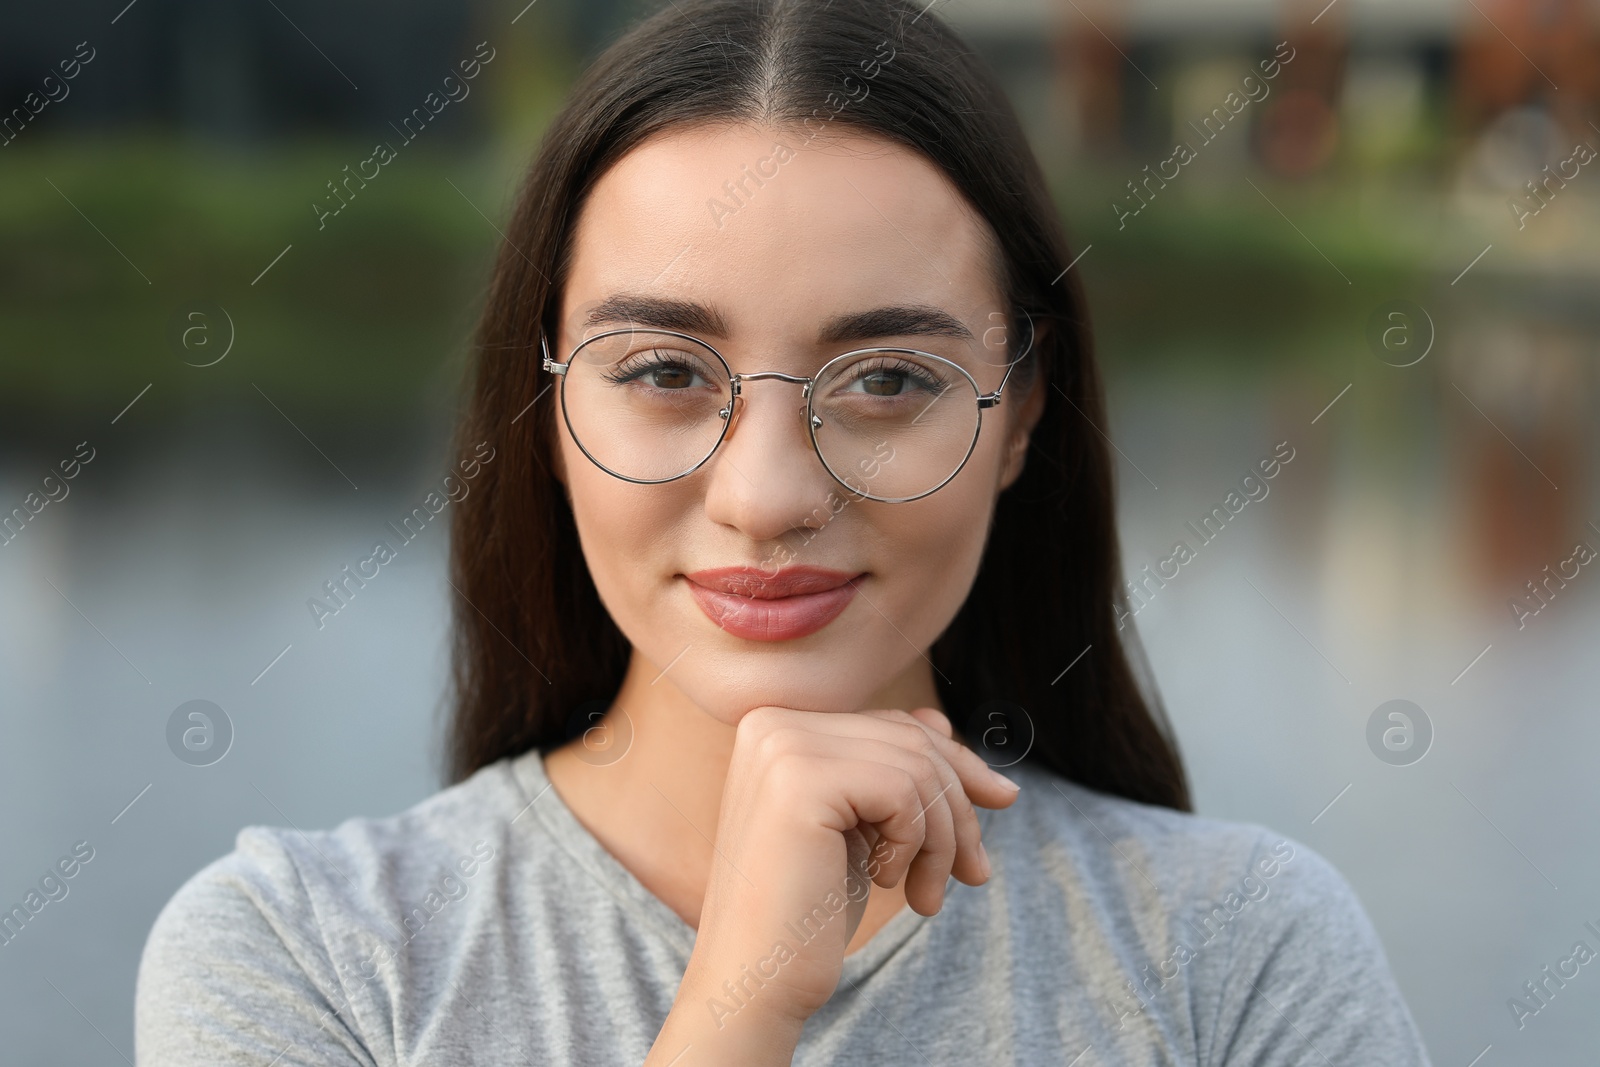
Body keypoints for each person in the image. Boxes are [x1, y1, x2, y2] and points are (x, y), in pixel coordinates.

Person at [134, 1, 1435, 1063]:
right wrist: (738, 1014)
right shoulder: (305, 960)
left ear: (1022, 416)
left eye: (887, 382)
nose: (765, 497)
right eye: (660, 373)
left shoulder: (1238, 954)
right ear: (545, 404)